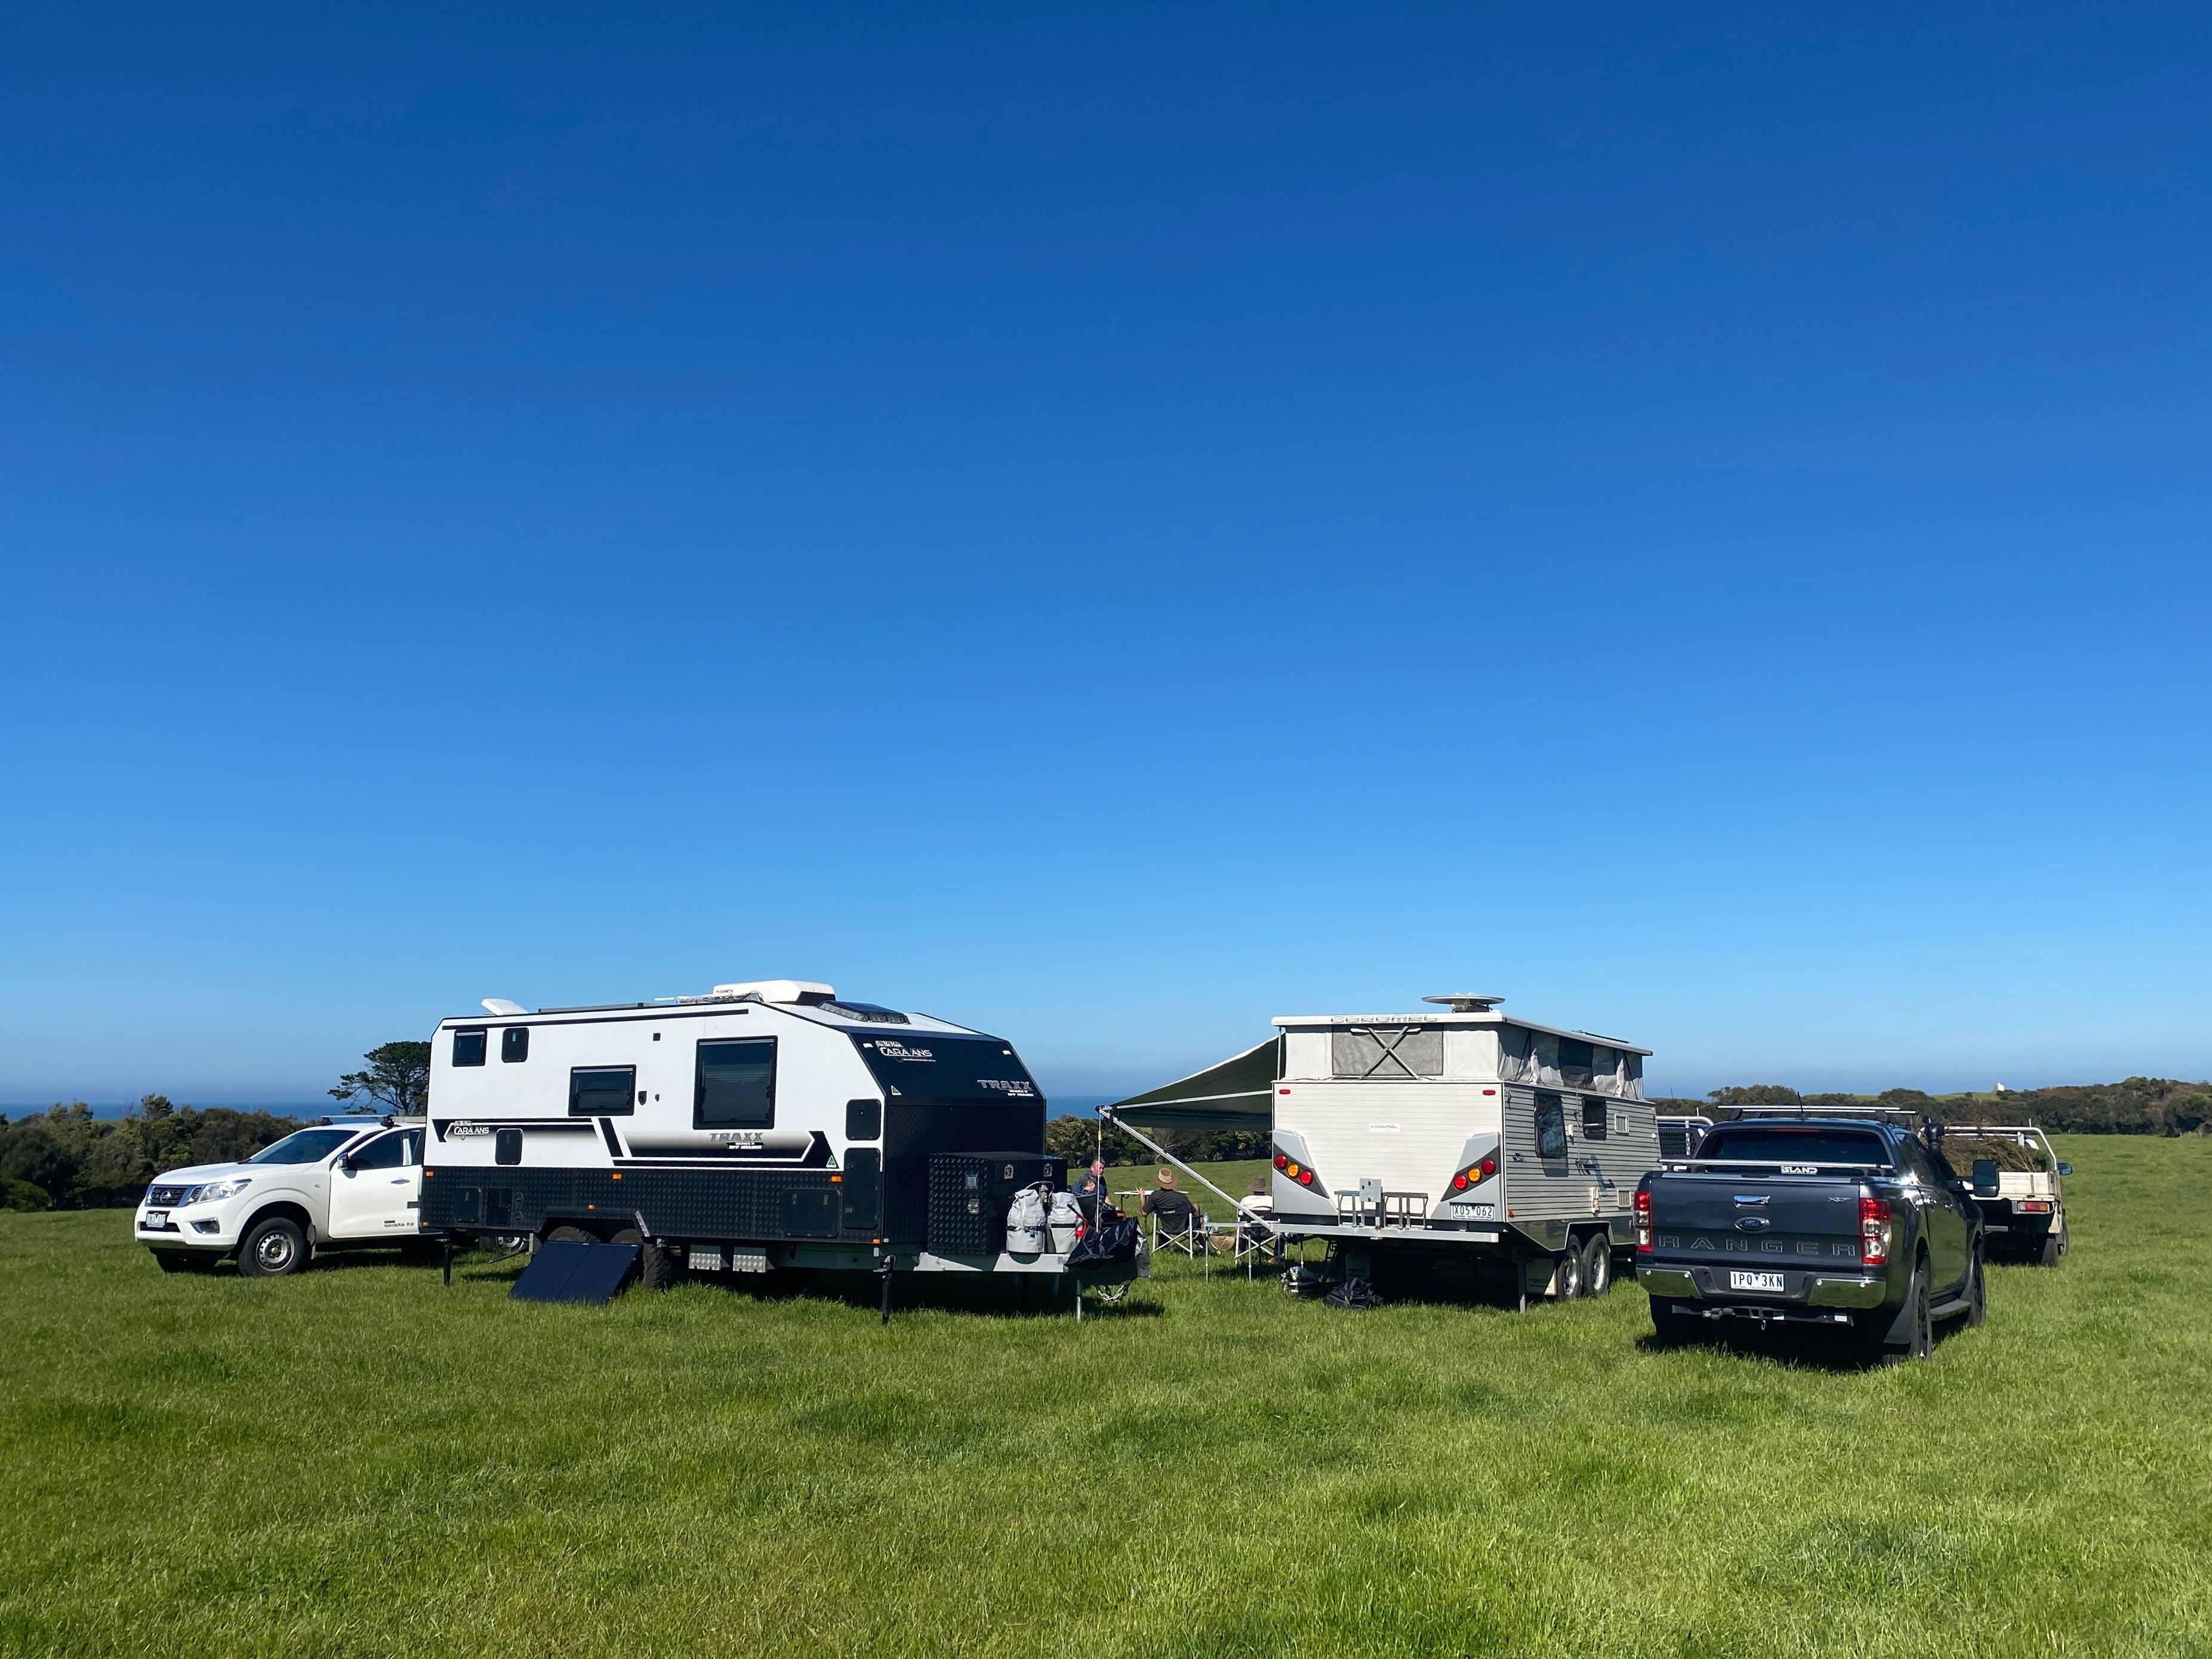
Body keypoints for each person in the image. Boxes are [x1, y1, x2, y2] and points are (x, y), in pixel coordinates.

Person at [1141, 1167, 1201, 1245]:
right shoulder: (1182, 1197)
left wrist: (1142, 1198)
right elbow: (1194, 1211)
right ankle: (1199, 1239)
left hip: (1166, 1228)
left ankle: (1163, 1246)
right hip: (1184, 1228)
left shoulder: (1155, 1196)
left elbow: (1144, 1213)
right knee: (1196, 1206)